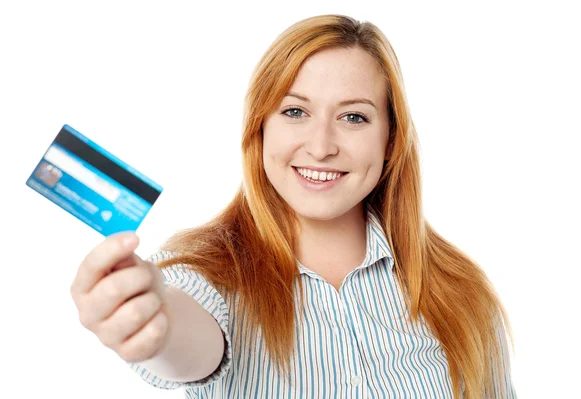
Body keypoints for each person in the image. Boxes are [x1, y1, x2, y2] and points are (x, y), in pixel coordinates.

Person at [69, 14, 517, 399]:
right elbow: (184, 340)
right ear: (259, 128)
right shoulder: (206, 271)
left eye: (353, 117)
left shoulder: (461, 293)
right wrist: (154, 322)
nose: (320, 147)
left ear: (391, 140)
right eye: (295, 112)